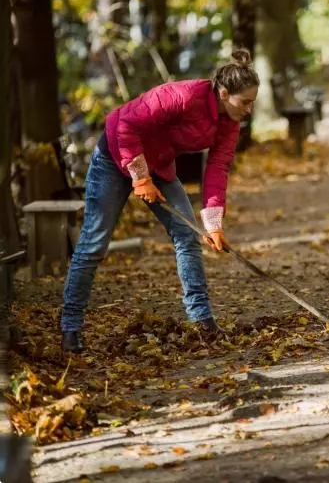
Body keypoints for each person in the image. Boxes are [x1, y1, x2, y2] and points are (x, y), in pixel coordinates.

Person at [60, 50, 260, 354]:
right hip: (115, 159)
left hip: (160, 166)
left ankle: (202, 320)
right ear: (223, 93)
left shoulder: (229, 123)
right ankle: (70, 327)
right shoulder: (182, 95)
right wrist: (139, 176)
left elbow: (217, 168)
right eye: (245, 101)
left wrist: (214, 224)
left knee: (187, 235)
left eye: (252, 103)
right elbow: (126, 124)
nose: (248, 109)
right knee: (93, 244)